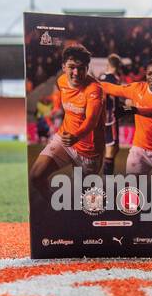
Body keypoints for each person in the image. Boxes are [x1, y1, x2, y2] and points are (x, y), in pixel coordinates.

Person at [96, 56, 152, 210]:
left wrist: (133, 109)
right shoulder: (137, 88)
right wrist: (88, 82)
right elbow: (113, 89)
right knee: (131, 191)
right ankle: (133, 223)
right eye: (149, 73)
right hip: (139, 150)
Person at [29, 44, 104, 199]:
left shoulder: (94, 89)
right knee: (36, 176)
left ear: (87, 68)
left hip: (89, 151)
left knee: (84, 200)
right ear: (63, 67)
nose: (76, 72)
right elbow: (62, 95)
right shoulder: (61, 81)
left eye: (81, 68)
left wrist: (76, 136)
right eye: (71, 67)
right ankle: (52, 204)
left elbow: (91, 121)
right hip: (64, 139)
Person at [100, 53, 126, 175]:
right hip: (111, 120)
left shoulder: (102, 77)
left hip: (101, 118)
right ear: (118, 66)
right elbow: (120, 99)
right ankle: (107, 181)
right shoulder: (115, 80)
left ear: (108, 64)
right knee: (111, 149)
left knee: (111, 149)